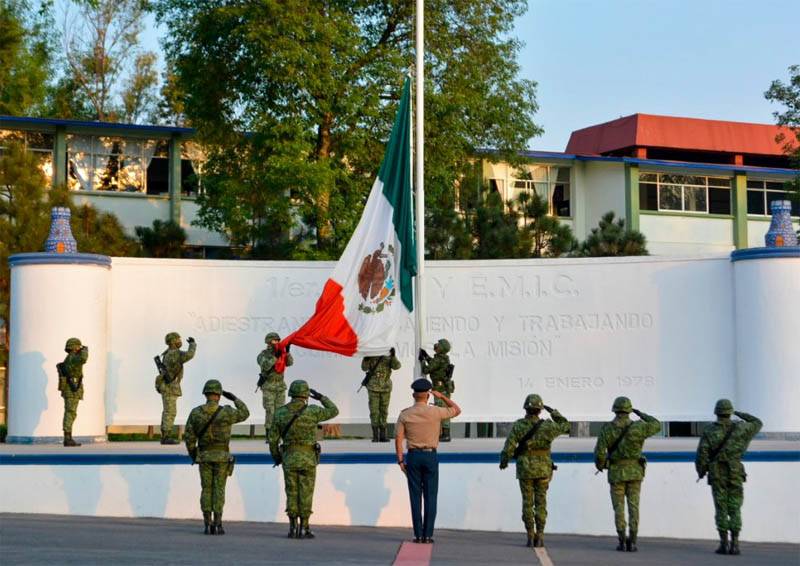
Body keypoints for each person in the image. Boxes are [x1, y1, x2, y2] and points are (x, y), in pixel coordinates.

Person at [269, 380, 338, 539]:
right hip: (308, 459)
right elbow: (334, 410)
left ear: (291, 393)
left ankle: (293, 527)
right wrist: (321, 397)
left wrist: (278, 458)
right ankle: (305, 527)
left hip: (289, 458)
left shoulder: (280, 413)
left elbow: (273, 440)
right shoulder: (313, 411)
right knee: (306, 493)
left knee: (291, 492)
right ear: (306, 395)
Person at [395, 378, 461, 543]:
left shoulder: (405, 414)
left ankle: (417, 535)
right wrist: (442, 396)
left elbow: (398, 438)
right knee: (431, 496)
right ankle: (428, 535)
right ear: (428, 395)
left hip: (413, 456)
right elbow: (457, 410)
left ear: (413, 394)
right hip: (430, 456)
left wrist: (401, 461)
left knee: (415, 496)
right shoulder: (436, 411)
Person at [500, 394, 569, 547]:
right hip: (544, 469)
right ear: (540, 410)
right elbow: (565, 425)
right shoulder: (548, 426)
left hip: (525, 469)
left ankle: (530, 535)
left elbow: (509, 447)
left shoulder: (519, 425)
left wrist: (504, 462)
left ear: (526, 408)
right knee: (541, 502)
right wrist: (553, 412)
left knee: (527, 502)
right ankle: (541, 535)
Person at [695, 399, 762, 555]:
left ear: (716, 412)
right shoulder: (742, 429)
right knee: (735, 508)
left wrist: (701, 471)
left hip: (717, 473)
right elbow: (757, 422)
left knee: (721, 508)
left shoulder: (709, 431)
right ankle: (735, 544)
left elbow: (701, 455)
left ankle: (724, 543)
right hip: (735, 472)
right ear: (729, 412)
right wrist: (738, 413)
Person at [593, 397, 660, 552]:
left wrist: (601, 465)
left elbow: (599, 453)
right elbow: (656, 424)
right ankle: (633, 540)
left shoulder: (607, 429)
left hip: (616, 473)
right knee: (634, 507)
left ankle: (622, 540)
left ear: (615, 410)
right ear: (629, 410)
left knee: (618, 508)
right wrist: (641, 414)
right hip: (635, 473)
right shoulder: (639, 428)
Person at [184, 379, 249, 534]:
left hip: (204, 456)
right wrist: (234, 399)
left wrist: (194, 456)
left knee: (206, 489)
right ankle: (218, 524)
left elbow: (189, 438)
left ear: (205, 394)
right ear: (219, 395)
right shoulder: (226, 412)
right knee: (219, 489)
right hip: (221, 457)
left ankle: (207, 524)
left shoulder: (196, 412)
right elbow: (245, 413)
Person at [156, 332, 196, 444]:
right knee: (170, 412)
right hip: (170, 387)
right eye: (178, 339)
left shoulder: (168, 353)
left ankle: (165, 435)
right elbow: (189, 355)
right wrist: (192, 344)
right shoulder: (174, 353)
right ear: (173, 341)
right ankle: (166, 437)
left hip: (168, 386)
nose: (180, 341)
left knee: (168, 411)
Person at [257, 332, 294, 441]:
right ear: (268, 342)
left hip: (280, 386)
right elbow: (266, 365)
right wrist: (275, 356)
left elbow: (290, 363)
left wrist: (287, 352)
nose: (277, 342)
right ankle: (269, 434)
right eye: (274, 340)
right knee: (270, 411)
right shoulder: (263, 355)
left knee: (280, 412)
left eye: (278, 340)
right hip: (268, 387)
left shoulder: (281, 353)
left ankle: (279, 434)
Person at [361, 347, 401, 442]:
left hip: (385, 387)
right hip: (373, 387)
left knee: (384, 411)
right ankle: (375, 435)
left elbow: (397, 366)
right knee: (374, 411)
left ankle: (383, 435)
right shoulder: (370, 353)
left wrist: (393, 356)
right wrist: (366, 358)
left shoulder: (388, 355)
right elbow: (364, 368)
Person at [419, 338, 454, 441]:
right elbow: (434, 364)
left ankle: (445, 435)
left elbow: (426, 370)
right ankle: (444, 434)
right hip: (443, 388)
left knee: (442, 412)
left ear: (442, 348)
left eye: (438, 344)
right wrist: (427, 357)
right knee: (443, 411)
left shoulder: (439, 359)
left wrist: (422, 361)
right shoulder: (443, 358)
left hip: (440, 389)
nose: (436, 345)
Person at [58, 337, 88, 447]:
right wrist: (85, 350)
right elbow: (84, 359)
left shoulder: (70, 358)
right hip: (72, 389)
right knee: (70, 413)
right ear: (74, 347)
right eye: (78, 347)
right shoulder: (73, 358)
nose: (80, 348)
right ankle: (67, 438)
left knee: (71, 412)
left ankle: (68, 437)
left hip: (72, 388)